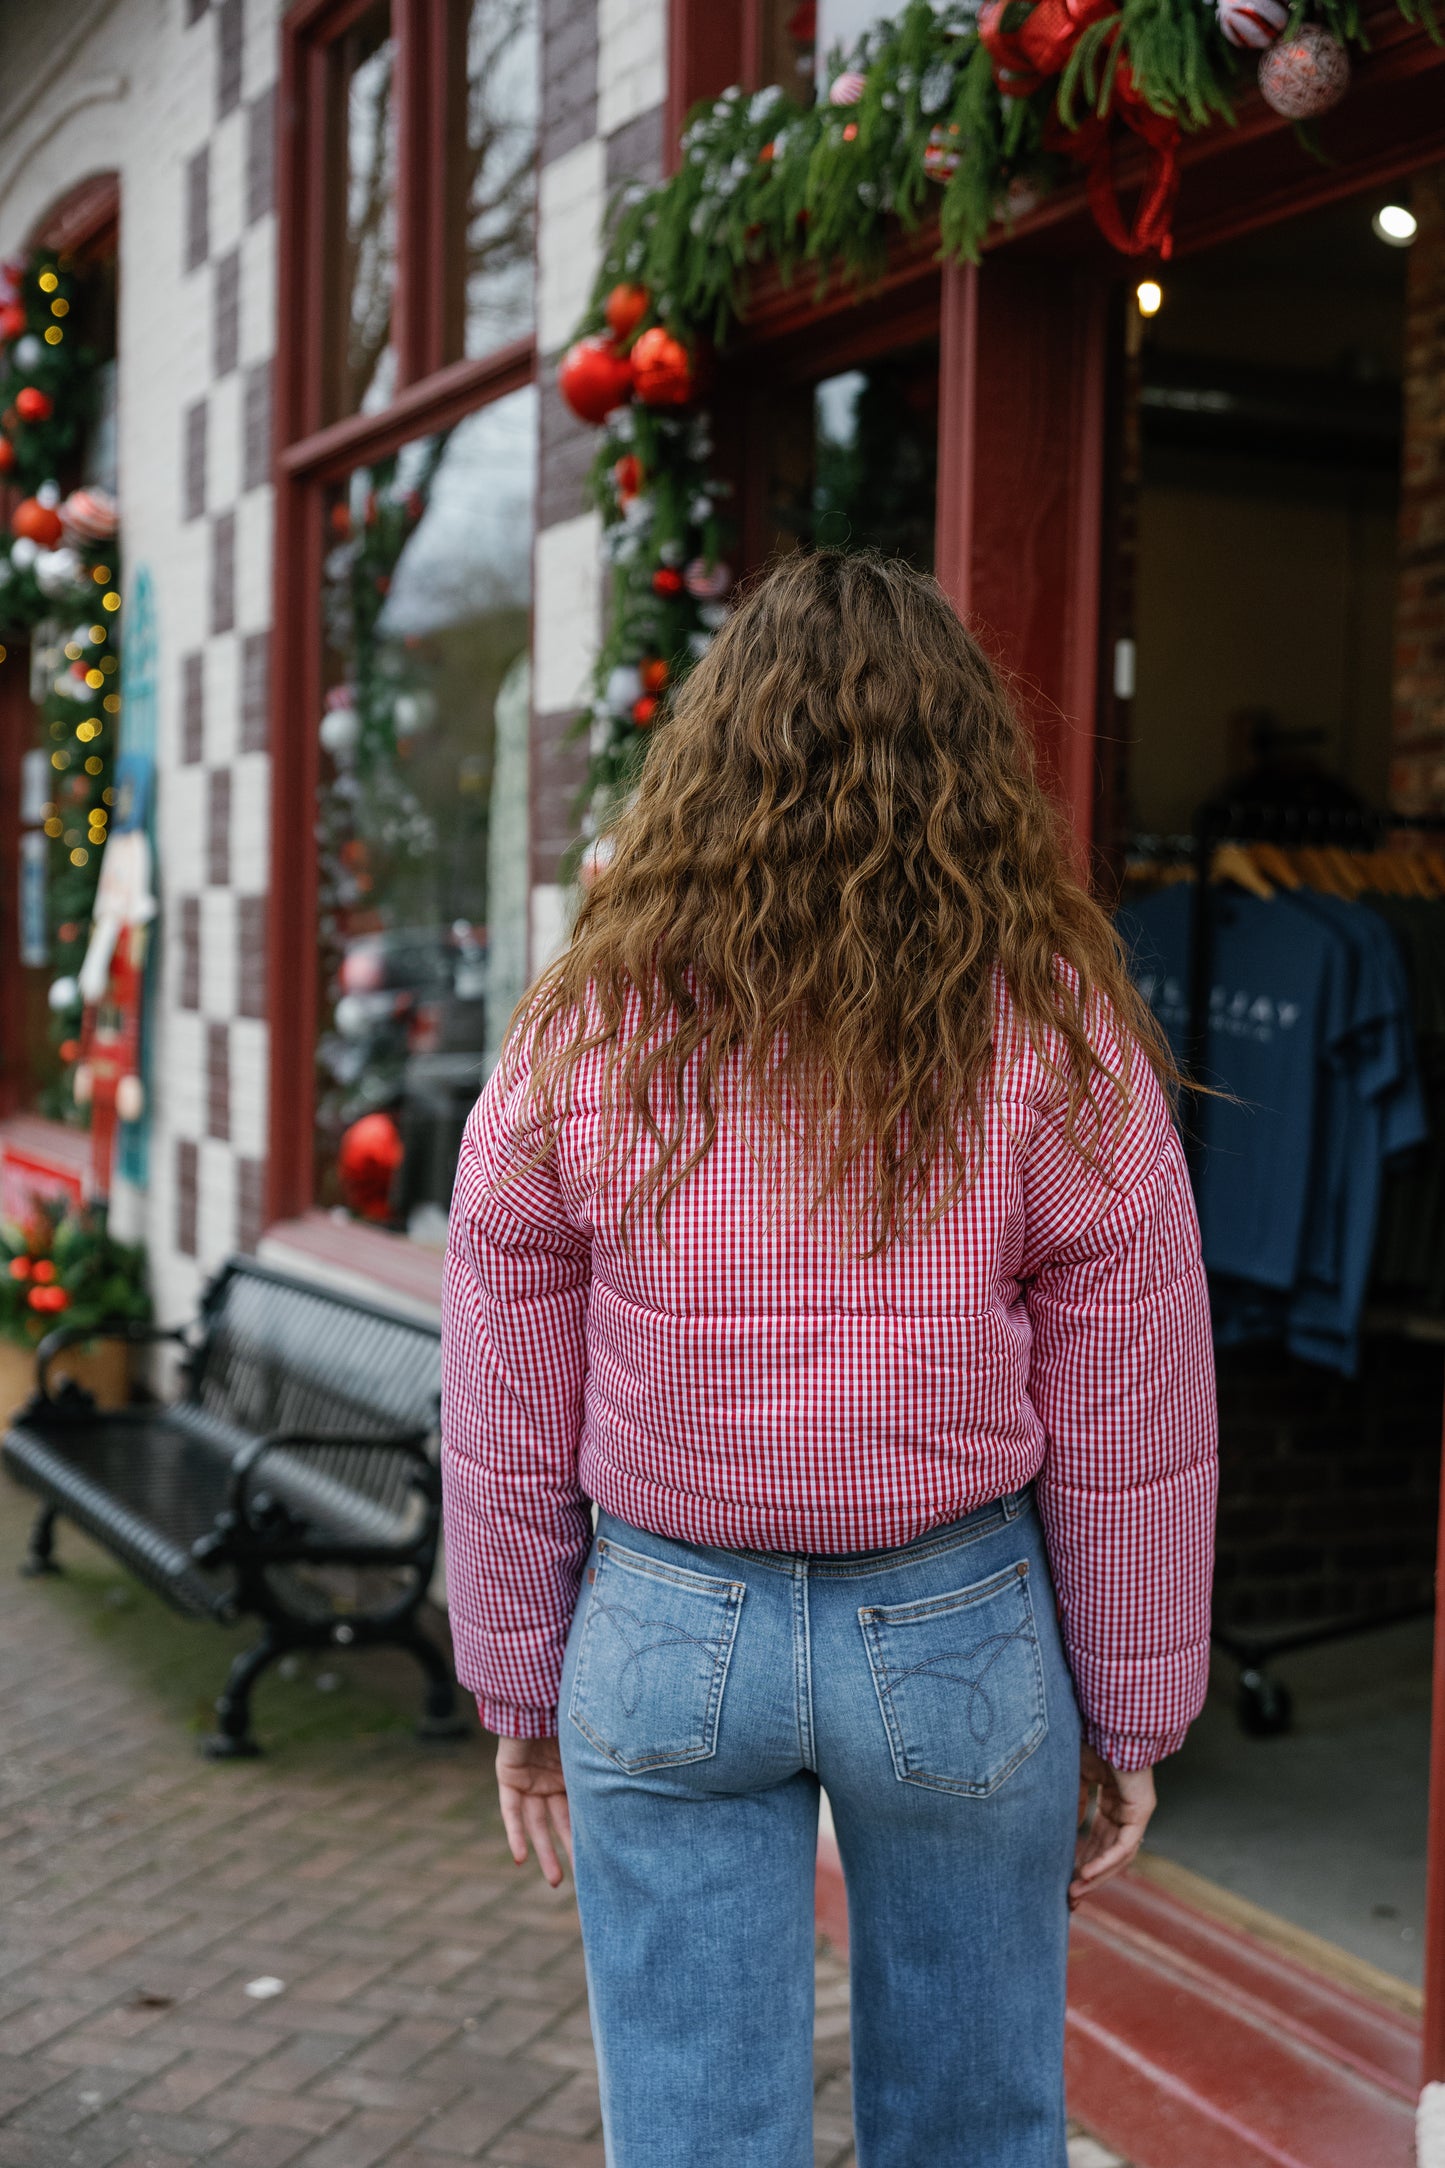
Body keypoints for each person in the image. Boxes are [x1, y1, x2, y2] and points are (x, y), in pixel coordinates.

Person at [441, 550, 1218, 2168]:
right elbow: (1131, 1395)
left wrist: (518, 1680)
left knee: (691, 2130)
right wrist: (1133, 1711)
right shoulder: (1056, 1032)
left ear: (707, 764)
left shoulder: (585, 1027)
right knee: (974, 2123)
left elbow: (504, 1391)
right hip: (954, 1630)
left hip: (660, 1625)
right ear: (970, 768)